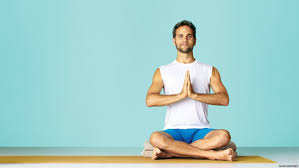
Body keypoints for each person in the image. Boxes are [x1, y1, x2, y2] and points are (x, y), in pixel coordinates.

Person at [146, 20, 237, 161]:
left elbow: (224, 99)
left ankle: (170, 153)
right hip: (173, 130)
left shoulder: (209, 70)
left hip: (200, 130)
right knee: (155, 138)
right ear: (174, 40)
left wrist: (194, 95)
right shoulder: (162, 71)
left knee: (224, 136)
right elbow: (150, 100)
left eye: (189, 36)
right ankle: (211, 154)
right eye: (180, 36)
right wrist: (181, 95)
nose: (184, 39)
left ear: (194, 40)